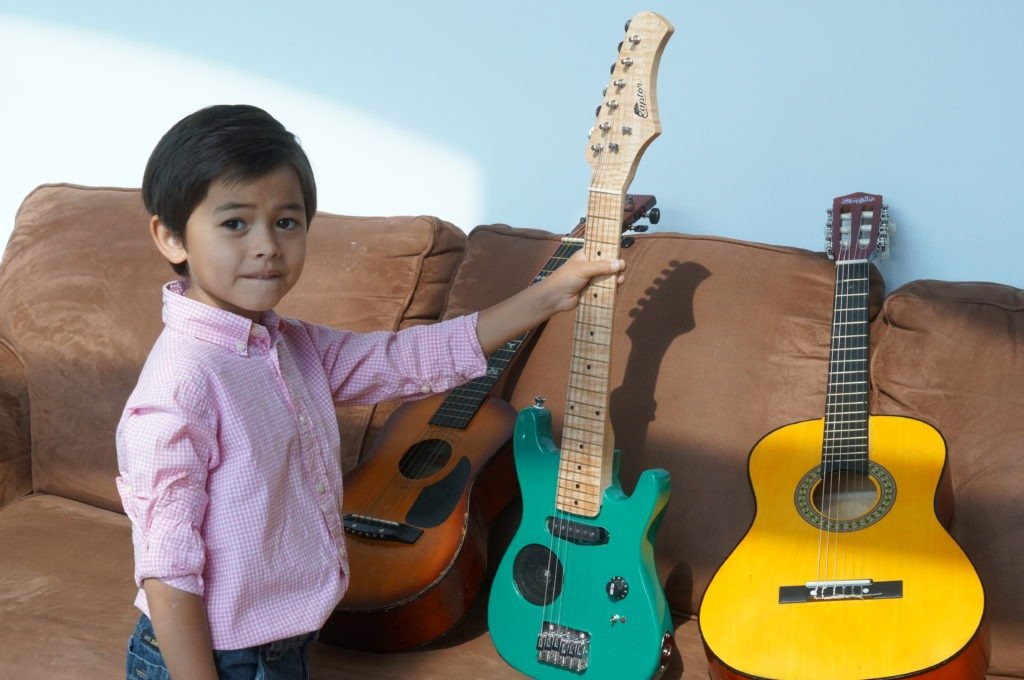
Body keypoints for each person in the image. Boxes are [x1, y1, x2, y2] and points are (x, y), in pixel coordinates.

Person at [115, 104, 625, 679]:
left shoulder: (291, 345)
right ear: (171, 236)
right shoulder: (180, 385)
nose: (266, 246)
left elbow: (405, 360)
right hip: (207, 658)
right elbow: (168, 567)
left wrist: (547, 298)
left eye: (287, 222)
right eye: (235, 223)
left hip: (283, 644)